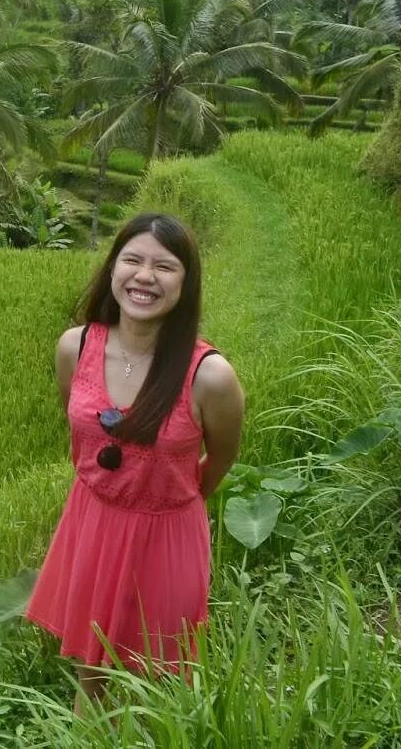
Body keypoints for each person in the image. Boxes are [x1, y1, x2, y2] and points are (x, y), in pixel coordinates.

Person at [25, 212, 246, 708]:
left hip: (166, 535)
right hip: (92, 521)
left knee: (162, 681)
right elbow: (77, 434)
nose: (144, 276)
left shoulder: (210, 377)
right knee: (93, 670)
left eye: (164, 267)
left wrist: (167, 500)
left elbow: (223, 456)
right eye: (132, 260)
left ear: (186, 284)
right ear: (112, 270)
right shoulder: (75, 346)